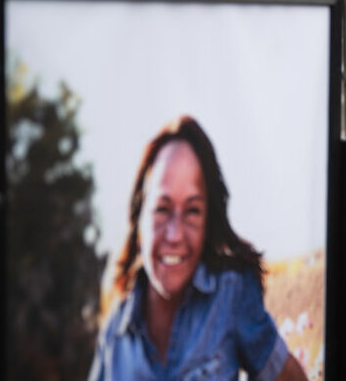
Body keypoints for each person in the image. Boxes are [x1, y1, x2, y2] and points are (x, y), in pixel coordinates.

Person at [90, 116, 307, 380]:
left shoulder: (231, 294)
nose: (174, 234)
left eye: (192, 211)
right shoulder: (115, 333)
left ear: (208, 222)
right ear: (139, 218)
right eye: (162, 208)